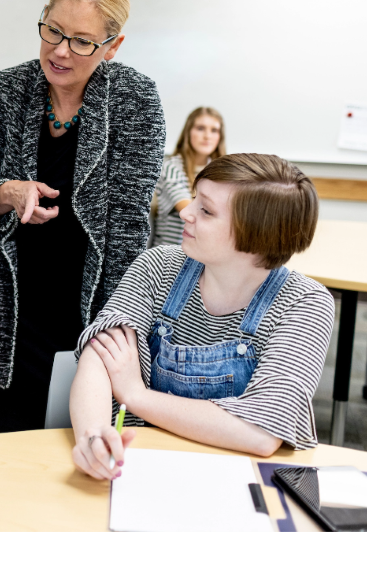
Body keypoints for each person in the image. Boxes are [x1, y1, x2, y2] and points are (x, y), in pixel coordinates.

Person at [0, 0, 166, 433]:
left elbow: (129, 230)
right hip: (11, 311)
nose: (60, 50)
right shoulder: (7, 90)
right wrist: (4, 194)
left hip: (92, 309)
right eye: (52, 30)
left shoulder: (135, 100)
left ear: (113, 46)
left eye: (82, 40)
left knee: (78, 450)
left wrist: (110, 331)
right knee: (3, 451)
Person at [69, 154, 334, 481]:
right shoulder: (158, 267)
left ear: (258, 234)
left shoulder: (304, 303)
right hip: (141, 469)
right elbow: (100, 358)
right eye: (195, 199)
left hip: (246, 481)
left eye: (206, 210)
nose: (185, 212)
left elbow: (261, 434)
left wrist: (136, 395)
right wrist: (94, 439)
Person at [152, 107, 226, 246]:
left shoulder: (221, 171)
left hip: (203, 254)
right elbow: (190, 211)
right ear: (188, 132)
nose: (207, 136)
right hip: (171, 256)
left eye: (214, 130)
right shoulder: (172, 167)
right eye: (200, 128)